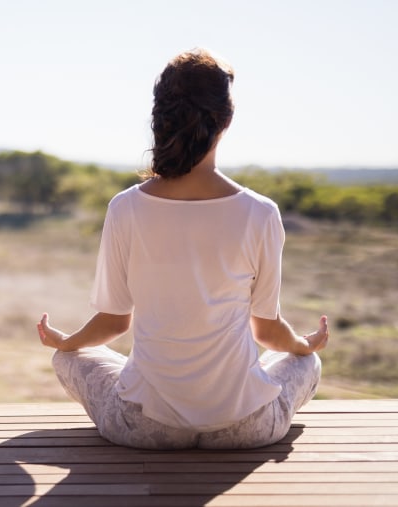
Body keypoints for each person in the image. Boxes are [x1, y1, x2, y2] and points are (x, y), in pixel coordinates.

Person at [36, 48, 329, 450]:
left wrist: (64, 342)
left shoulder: (126, 207)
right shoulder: (260, 212)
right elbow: (268, 332)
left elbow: (114, 323)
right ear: (226, 121)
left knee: (68, 358)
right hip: (245, 427)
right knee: (306, 361)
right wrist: (304, 346)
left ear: (160, 118)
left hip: (144, 427)